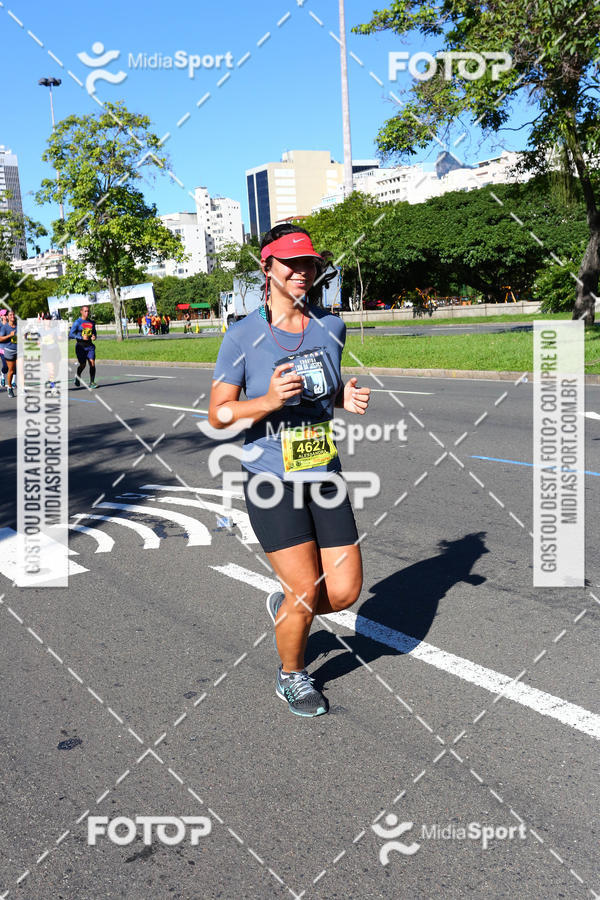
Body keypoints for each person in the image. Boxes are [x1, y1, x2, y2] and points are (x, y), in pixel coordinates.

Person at [208, 224, 371, 718]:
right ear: (267, 267)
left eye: (310, 265)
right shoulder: (242, 335)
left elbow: (325, 387)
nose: (302, 273)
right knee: (304, 590)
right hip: (270, 478)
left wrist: (344, 396)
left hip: (323, 471)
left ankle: (289, 614)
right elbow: (218, 414)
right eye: (291, 264)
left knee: (342, 593)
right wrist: (267, 401)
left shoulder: (331, 326)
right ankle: (292, 674)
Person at [69, 304, 98, 388]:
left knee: (92, 363)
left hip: (89, 346)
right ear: (81, 311)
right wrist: (81, 337)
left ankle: (92, 382)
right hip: (80, 346)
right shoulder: (77, 322)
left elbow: (94, 332)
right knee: (83, 365)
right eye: (85, 311)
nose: (87, 313)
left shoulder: (91, 322)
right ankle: (78, 376)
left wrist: (94, 336)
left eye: (88, 311)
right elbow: (70, 334)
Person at [0, 309, 19, 398]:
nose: (12, 316)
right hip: (6, 350)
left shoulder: (17, 326)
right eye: (10, 315)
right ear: (6, 317)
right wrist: (9, 335)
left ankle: (15, 383)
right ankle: (8, 384)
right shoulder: (3, 327)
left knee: (17, 368)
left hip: (17, 350)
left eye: (13, 315)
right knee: (8, 369)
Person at [0, 309, 8, 389]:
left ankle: (12, 383)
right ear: (1, 316)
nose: (6, 316)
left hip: (11, 349)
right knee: (6, 366)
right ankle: (2, 375)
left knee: (13, 367)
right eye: (5, 315)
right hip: (2, 349)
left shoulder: (11, 324)